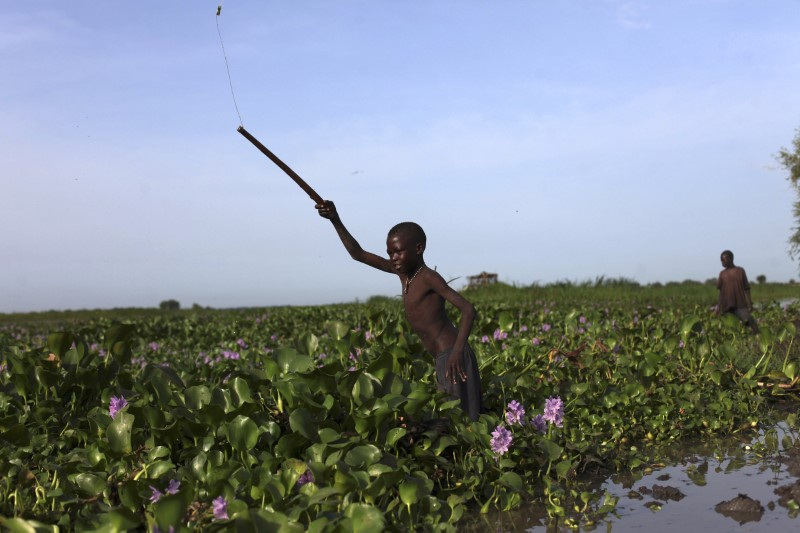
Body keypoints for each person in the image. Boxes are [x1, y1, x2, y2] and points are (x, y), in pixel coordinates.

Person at [316, 200, 483, 420]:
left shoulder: (428, 277)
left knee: (462, 423)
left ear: (418, 248)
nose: (393, 259)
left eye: (398, 252)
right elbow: (357, 253)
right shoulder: (403, 273)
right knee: (452, 421)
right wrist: (334, 219)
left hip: (452, 357)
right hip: (443, 358)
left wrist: (457, 353)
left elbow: (468, 310)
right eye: (389, 253)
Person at [716, 250, 758, 333]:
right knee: (729, 327)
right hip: (726, 305)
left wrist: (749, 303)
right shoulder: (722, 274)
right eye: (721, 260)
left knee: (750, 321)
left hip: (740, 304)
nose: (722, 262)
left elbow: (746, 288)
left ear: (730, 259)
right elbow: (721, 292)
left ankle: (757, 336)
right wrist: (718, 306)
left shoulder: (740, 271)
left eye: (723, 259)